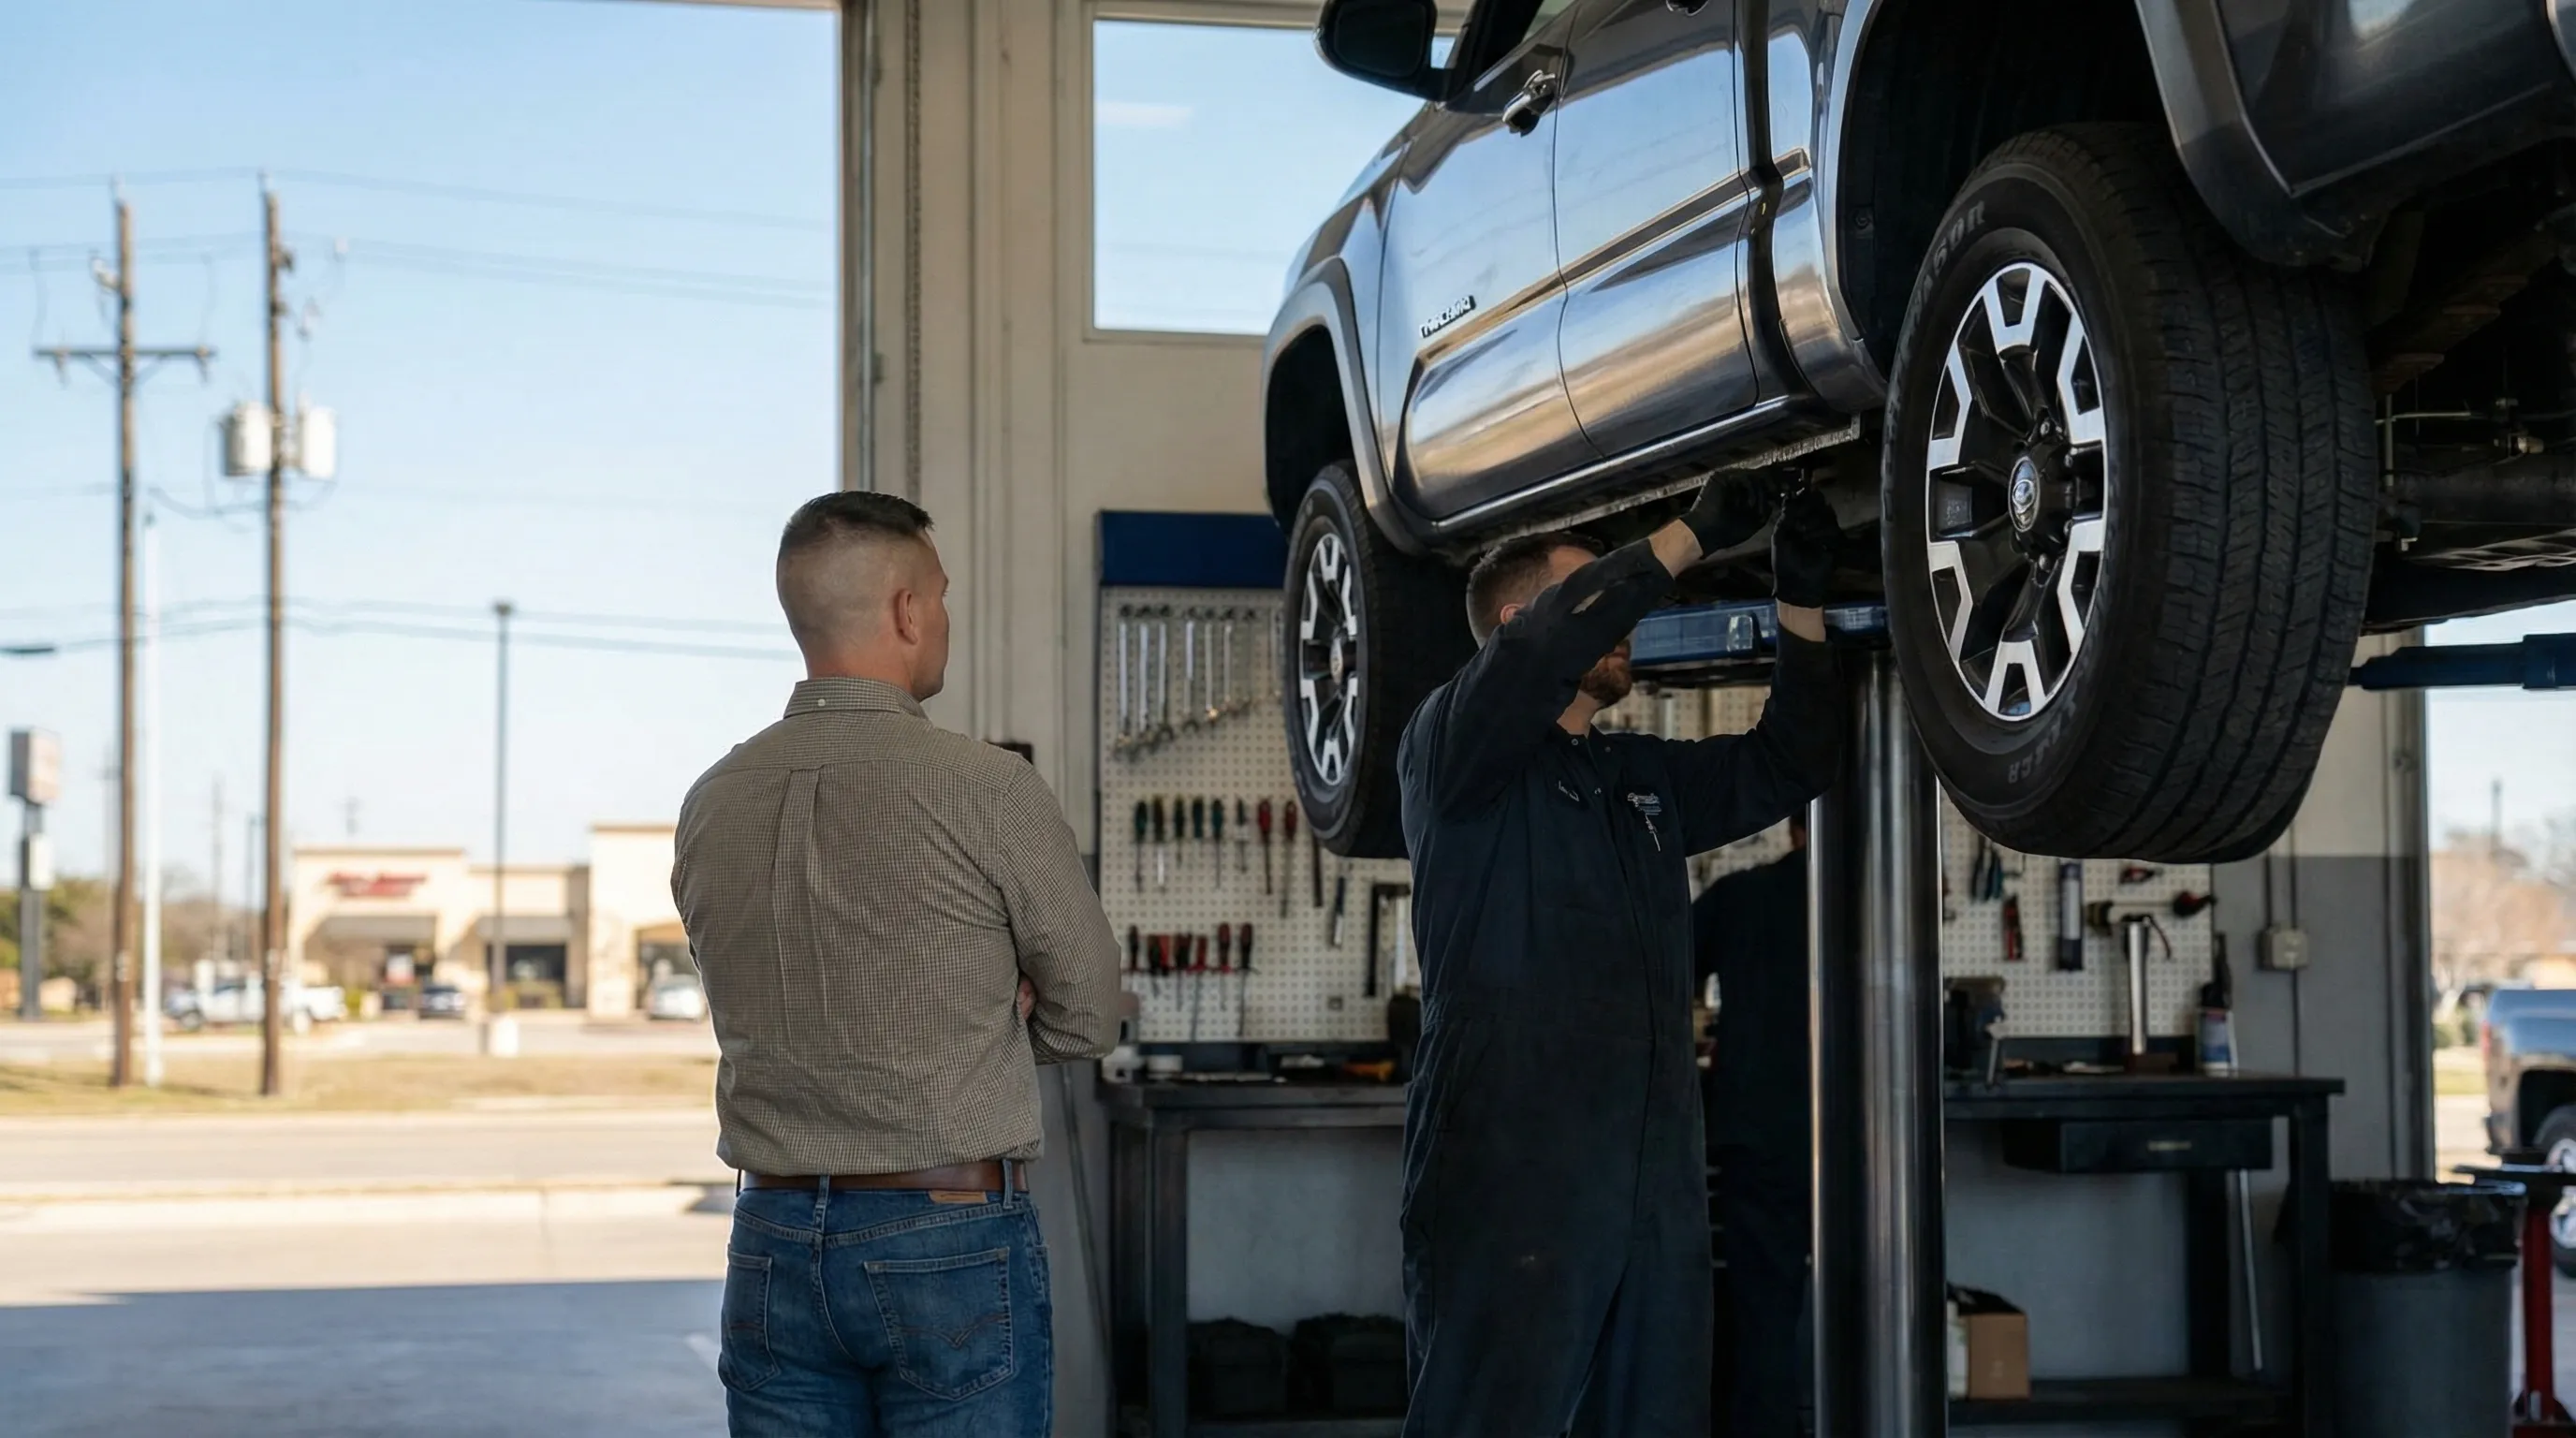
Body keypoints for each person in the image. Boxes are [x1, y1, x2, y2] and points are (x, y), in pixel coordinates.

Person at [1395, 475, 1844, 1437]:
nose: (1627, 621)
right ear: (1524, 620)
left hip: (1651, 1176)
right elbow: (1538, 651)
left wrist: (1799, 603)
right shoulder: (1454, 751)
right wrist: (1689, 533)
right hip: (1509, 1168)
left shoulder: (1636, 777)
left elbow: (1789, 765)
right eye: (1597, 598)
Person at [672, 491, 1122, 1438]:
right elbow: (1088, 1016)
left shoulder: (712, 801)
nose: (944, 620)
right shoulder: (988, 790)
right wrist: (985, 1011)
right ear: (907, 610)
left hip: (770, 1243)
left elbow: (775, 997)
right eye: (943, 597)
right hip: (946, 1238)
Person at [1694, 816, 1813, 1438]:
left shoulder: (1742, 895)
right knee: (1879, 1298)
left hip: (1763, 1128)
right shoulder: (1890, 898)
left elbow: (1663, 968)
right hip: (1870, 1135)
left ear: (1793, 828)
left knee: (1763, 1310)